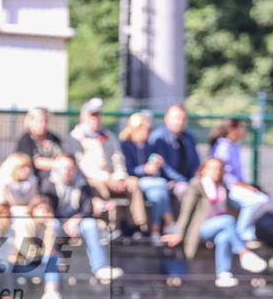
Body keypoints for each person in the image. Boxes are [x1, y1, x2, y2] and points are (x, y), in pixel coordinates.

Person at [162, 157, 267, 288]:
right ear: (204, 170)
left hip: (216, 227)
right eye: (212, 168)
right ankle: (244, 253)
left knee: (224, 236)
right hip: (199, 229)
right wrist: (179, 233)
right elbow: (186, 211)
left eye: (219, 169)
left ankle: (223, 274)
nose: (216, 172)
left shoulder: (223, 188)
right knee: (228, 221)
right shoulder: (196, 185)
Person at [65, 97, 147, 235]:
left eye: (98, 115)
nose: (95, 119)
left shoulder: (108, 136)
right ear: (83, 116)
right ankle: (109, 226)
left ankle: (137, 225)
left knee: (133, 184)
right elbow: (81, 164)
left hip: (113, 176)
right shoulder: (75, 137)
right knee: (98, 187)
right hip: (93, 177)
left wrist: (119, 176)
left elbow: (118, 157)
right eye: (92, 115)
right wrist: (106, 178)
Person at [38, 152, 123, 281]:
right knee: (52, 225)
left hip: (77, 222)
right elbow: (45, 207)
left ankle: (101, 267)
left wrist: (76, 220)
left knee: (90, 224)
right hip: (56, 221)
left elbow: (88, 208)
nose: (66, 171)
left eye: (70, 168)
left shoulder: (83, 183)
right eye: (62, 168)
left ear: (76, 169)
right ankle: (48, 262)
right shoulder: (48, 184)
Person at [209, 118, 267, 243]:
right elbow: (225, 176)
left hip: (237, 186)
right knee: (255, 201)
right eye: (241, 127)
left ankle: (251, 231)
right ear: (232, 130)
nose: (244, 131)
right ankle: (242, 233)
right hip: (226, 188)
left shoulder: (234, 145)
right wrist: (245, 187)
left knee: (264, 199)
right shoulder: (223, 147)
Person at [120, 112, 174, 243]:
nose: (149, 132)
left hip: (150, 182)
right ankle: (169, 222)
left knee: (157, 195)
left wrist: (157, 164)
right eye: (146, 129)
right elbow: (128, 169)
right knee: (161, 184)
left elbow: (153, 164)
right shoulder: (125, 146)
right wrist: (144, 169)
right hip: (134, 180)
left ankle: (155, 231)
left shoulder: (148, 145)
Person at [151, 104, 200, 204]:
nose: (179, 122)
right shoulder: (158, 138)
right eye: (176, 118)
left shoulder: (189, 137)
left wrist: (194, 178)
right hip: (168, 181)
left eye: (183, 118)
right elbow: (164, 167)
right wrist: (183, 180)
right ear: (166, 118)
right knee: (184, 189)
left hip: (188, 179)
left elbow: (195, 161)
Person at [16, 107, 63, 176]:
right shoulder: (26, 140)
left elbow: (61, 155)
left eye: (45, 121)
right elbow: (33, 162)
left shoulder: (53, 138)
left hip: (55, 174)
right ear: (30, 122)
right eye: (39, 121)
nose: (43, 125)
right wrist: (56, 164)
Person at [0, 152, 37, 217]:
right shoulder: (0, 178)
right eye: (22, 167)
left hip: (25, 216)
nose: (27, 170)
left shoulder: (32, 181)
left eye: (28, 166)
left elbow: (33, 205)